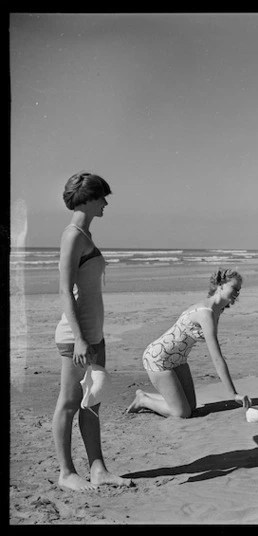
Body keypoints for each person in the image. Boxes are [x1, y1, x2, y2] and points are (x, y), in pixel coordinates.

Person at [53, 171, 133, 491]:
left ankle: (98, 469)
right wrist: (81, 339)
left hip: (93, 334)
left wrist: (93, 336)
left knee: (92, 402)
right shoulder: (72, 235)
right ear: (86, 198)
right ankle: (66, 473)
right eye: (102, 197)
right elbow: (63, 290)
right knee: (70, 403)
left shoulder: (85, 235)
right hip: (76, 337)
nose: (105, 203)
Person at [127, 268, 251, 418]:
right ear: (221, 285)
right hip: (158, 358)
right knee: (182, 412)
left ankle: (146, 396)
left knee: (191, 407)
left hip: (178, 360)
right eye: (234, 288)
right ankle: (143, 400)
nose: (237, 293)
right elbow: (217, 358)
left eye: (239, 290)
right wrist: (234, 394)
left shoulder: (218, 309)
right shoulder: (206, 313)